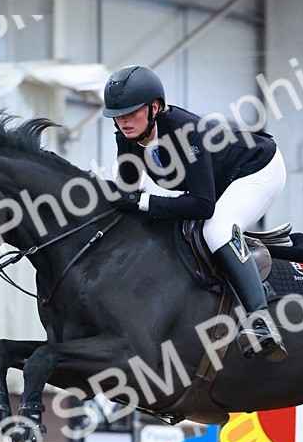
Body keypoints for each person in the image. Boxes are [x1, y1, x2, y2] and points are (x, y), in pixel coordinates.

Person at [103, 64, 288, 362]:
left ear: (155, 107)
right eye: (117, 115)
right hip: (217, 179)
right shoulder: (126, 137)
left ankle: (261, 320)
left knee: (215, 228)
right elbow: (126, 191)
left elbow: (203, 205)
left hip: (257, 169)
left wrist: (142, 203)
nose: (123, 121)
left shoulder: (187, 132)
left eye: (131, 112)